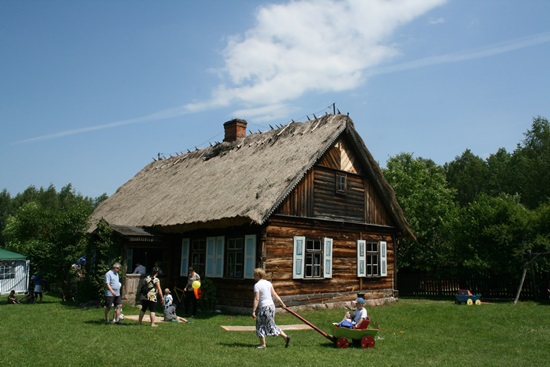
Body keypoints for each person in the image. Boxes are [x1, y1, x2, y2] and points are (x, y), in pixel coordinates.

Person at [252, 268, 290, 349]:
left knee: (260, 325)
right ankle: (284, 338)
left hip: (264, 307)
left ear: (258, 275)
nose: (253, 276)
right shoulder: (268, 283)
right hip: (271, 307)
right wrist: (282, 303)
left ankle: (264, 344)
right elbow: (274, 294)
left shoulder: (257, 285)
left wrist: (254, 311)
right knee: (269, 324)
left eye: (254, 274)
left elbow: (256, 299)